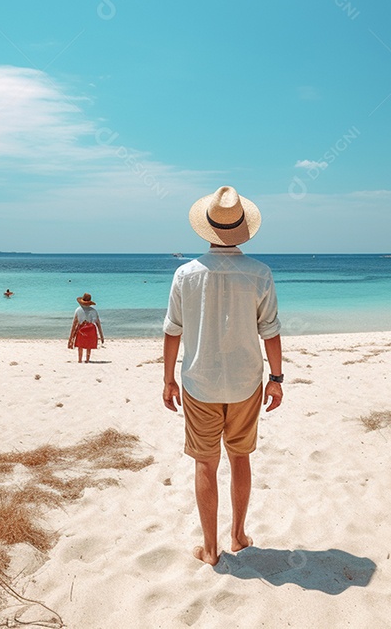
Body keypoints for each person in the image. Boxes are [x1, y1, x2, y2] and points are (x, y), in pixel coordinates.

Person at [162, 186, 283, 567]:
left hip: (200, 382)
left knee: (205, 463)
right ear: (242, 228)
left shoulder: (186, 274)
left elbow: (172, 330)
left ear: (207, 228)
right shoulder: (260, 273)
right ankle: (238, 535)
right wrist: (277, 379)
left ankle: (210, 548)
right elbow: (271, 331)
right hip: (247, 381)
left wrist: (168, 380)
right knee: (241, 458)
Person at [68, 293, 104, 363]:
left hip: (81, 328)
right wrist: (101, 335)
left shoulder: (78, 310)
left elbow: (74, 324)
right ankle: (87, 359)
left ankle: (80, 359)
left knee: (80, 345)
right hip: (91, 329)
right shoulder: (93, 311)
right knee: (89, 346)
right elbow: (98, 323)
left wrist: (71, 338)